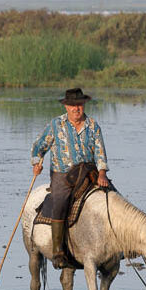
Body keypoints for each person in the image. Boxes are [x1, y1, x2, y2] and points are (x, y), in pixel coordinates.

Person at [31, 88, 110, 269]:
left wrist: (102, 173)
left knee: (111, 196)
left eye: (79, 105)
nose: (76, 109)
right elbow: (39, 146)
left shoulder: (93, 125)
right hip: (62, 175)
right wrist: (36, 162)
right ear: (66, 106)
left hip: (88, 174)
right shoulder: (56, 125)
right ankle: (58, 251)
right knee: (59, 202)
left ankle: (115, 249)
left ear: (84, 105)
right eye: (73, 105)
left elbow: (100, 153)